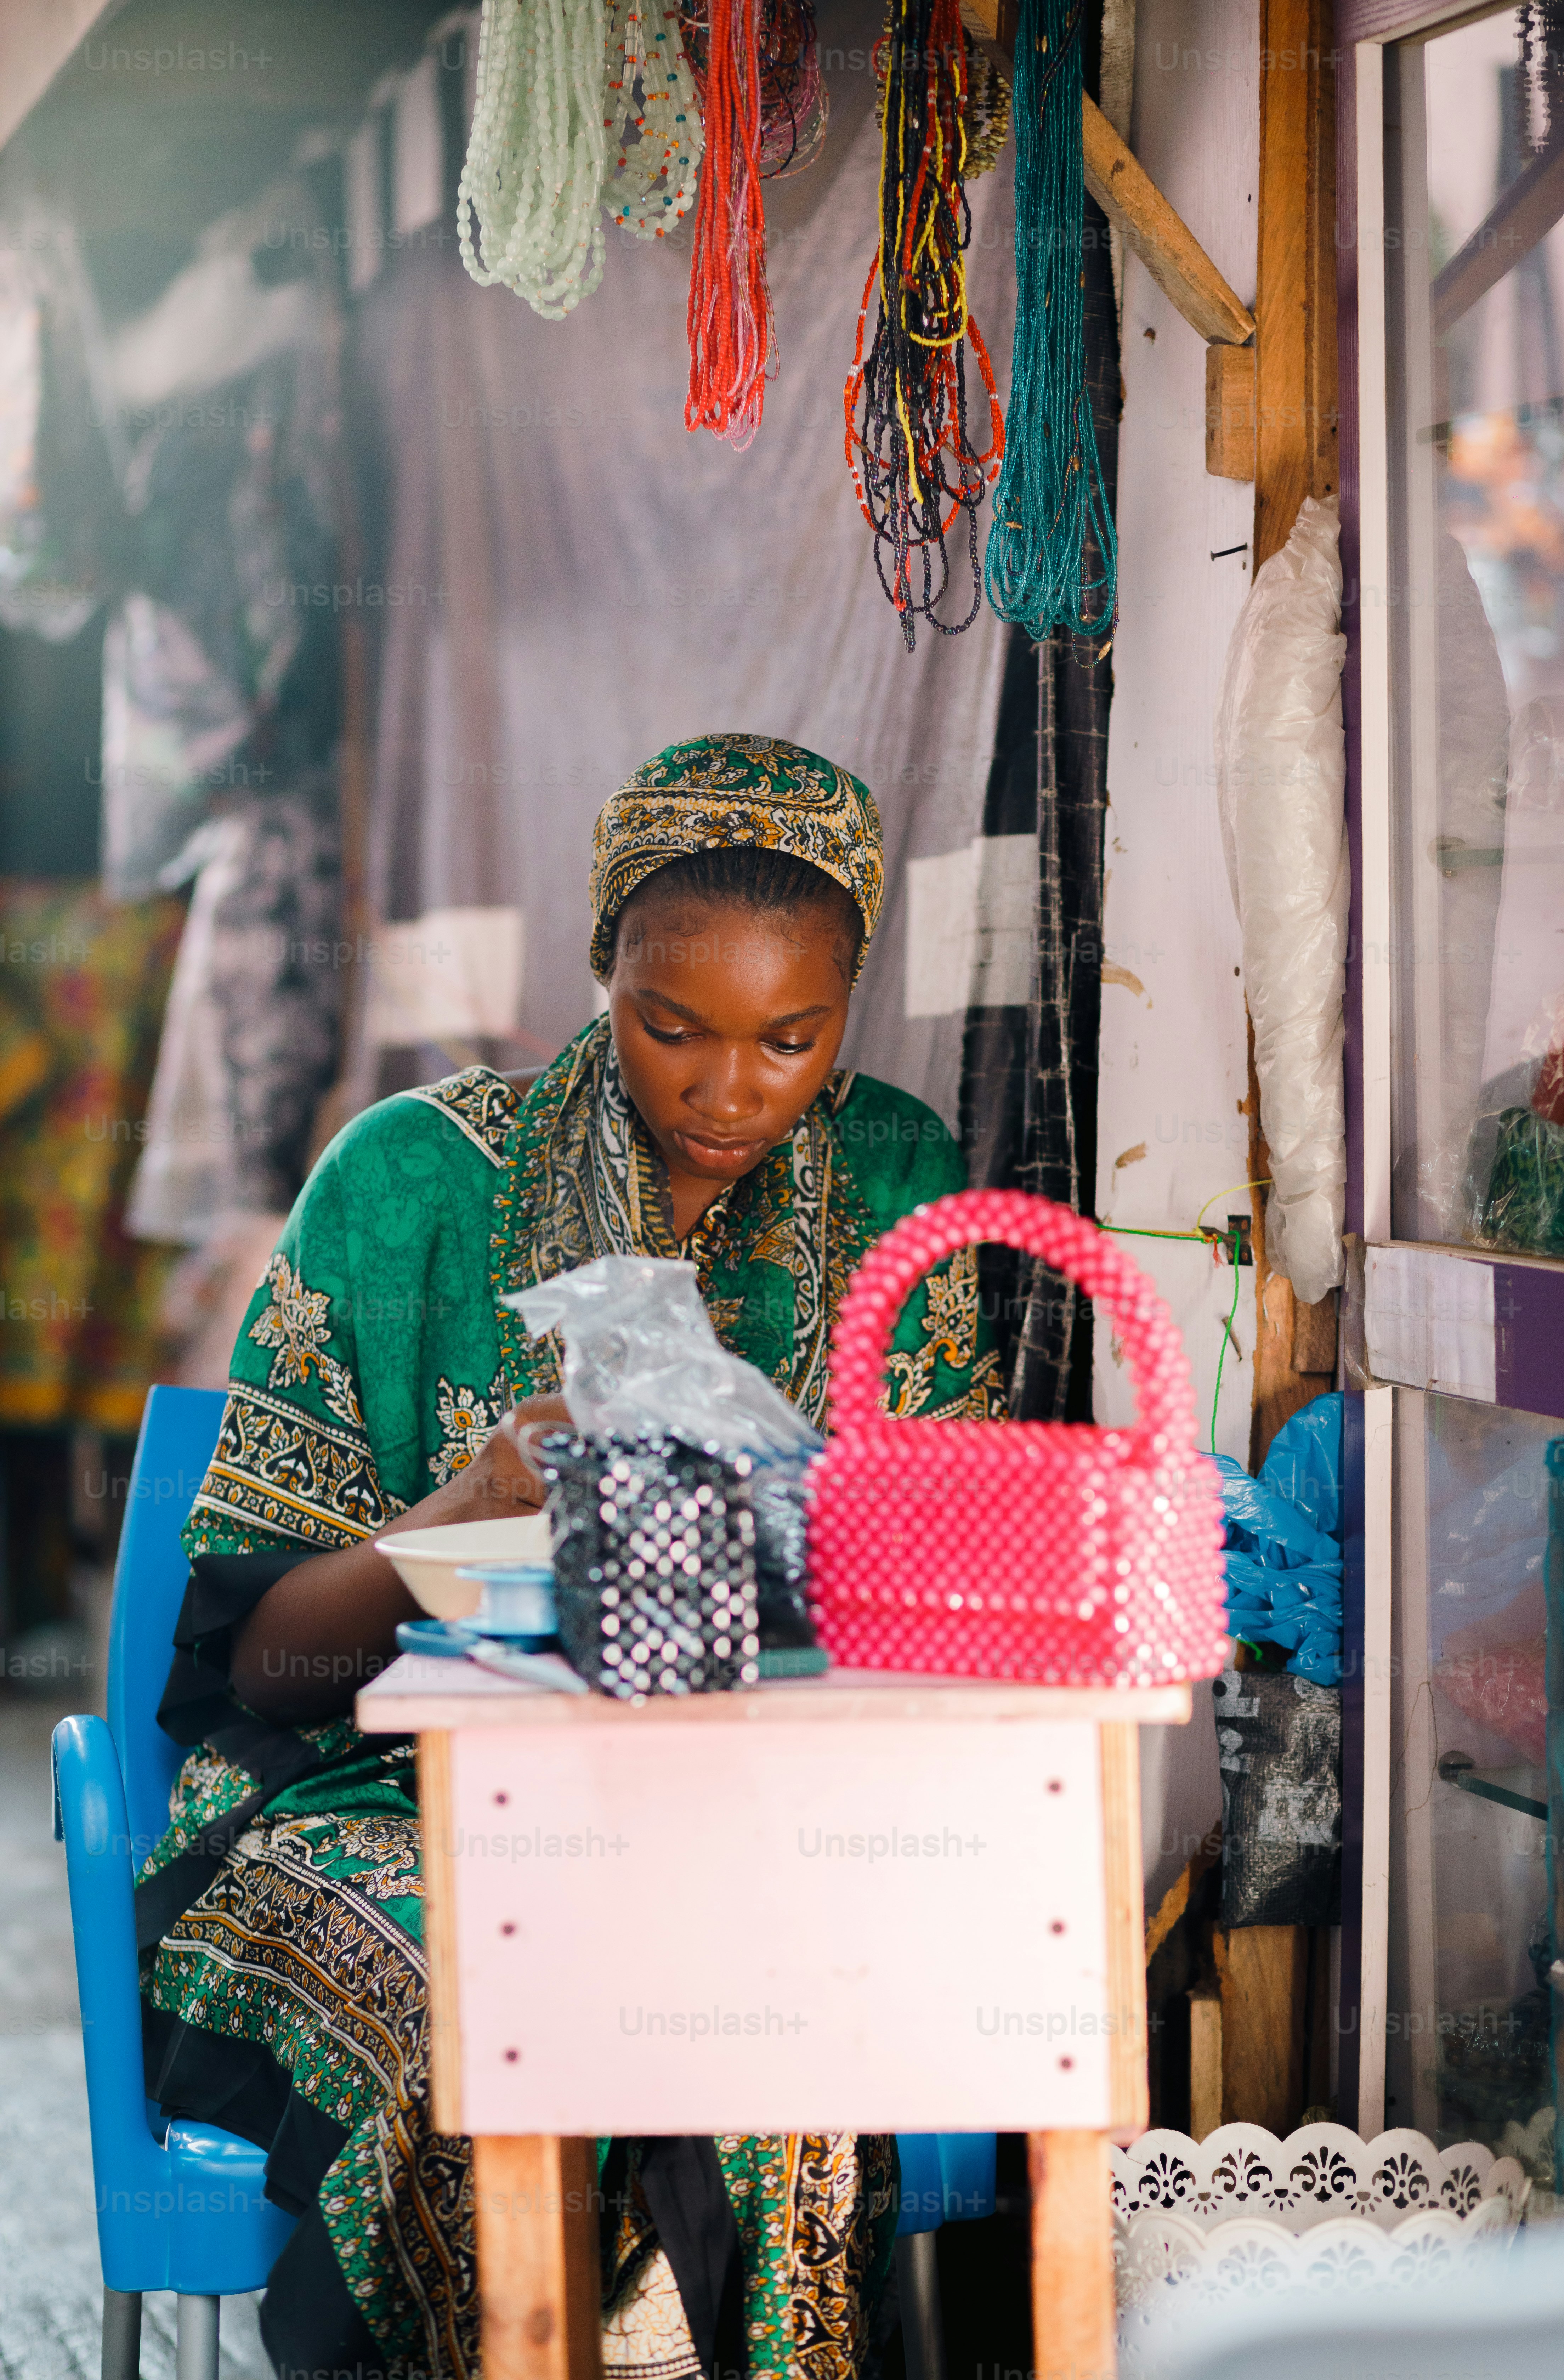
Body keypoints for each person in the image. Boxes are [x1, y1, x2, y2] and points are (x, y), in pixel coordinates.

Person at [138, 732, 1003, 2380]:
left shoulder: (893, 1174)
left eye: (790, 1039)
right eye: (669, 1026)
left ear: (850, 1012)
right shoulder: (407, 1187)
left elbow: (931, 1590)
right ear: (601, 969)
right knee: (503, 2026)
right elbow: (265, 1666)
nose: (725, 1089)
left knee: (757, 2015)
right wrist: (470, 1506)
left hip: (759, 1803)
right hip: (375, 1802)